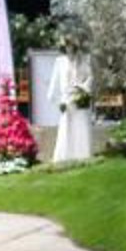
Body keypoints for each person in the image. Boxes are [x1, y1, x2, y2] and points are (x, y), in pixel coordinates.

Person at [48, 19, 93, 162]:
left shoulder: (84, 60)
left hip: (79, 98)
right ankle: (65, 155)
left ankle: (82, 154)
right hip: (66, 99)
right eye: (66, 46)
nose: (69, 49)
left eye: (71, 46)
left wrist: (84, 90)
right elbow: (54, 82)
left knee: (81, 125)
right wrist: (56, 100)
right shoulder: (60, 62)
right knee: (66, 126)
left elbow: (90, 77)